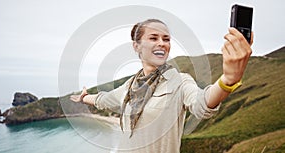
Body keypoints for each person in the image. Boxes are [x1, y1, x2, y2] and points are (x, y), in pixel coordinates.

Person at [70, 19, 253, 153]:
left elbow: (202, 104)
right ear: (137, 46)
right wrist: (84, 97)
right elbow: (103, 99)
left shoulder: (180, 81)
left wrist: (228, 80)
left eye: (166, 39)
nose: (162, 43)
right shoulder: (129, 87)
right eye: (154, 38)